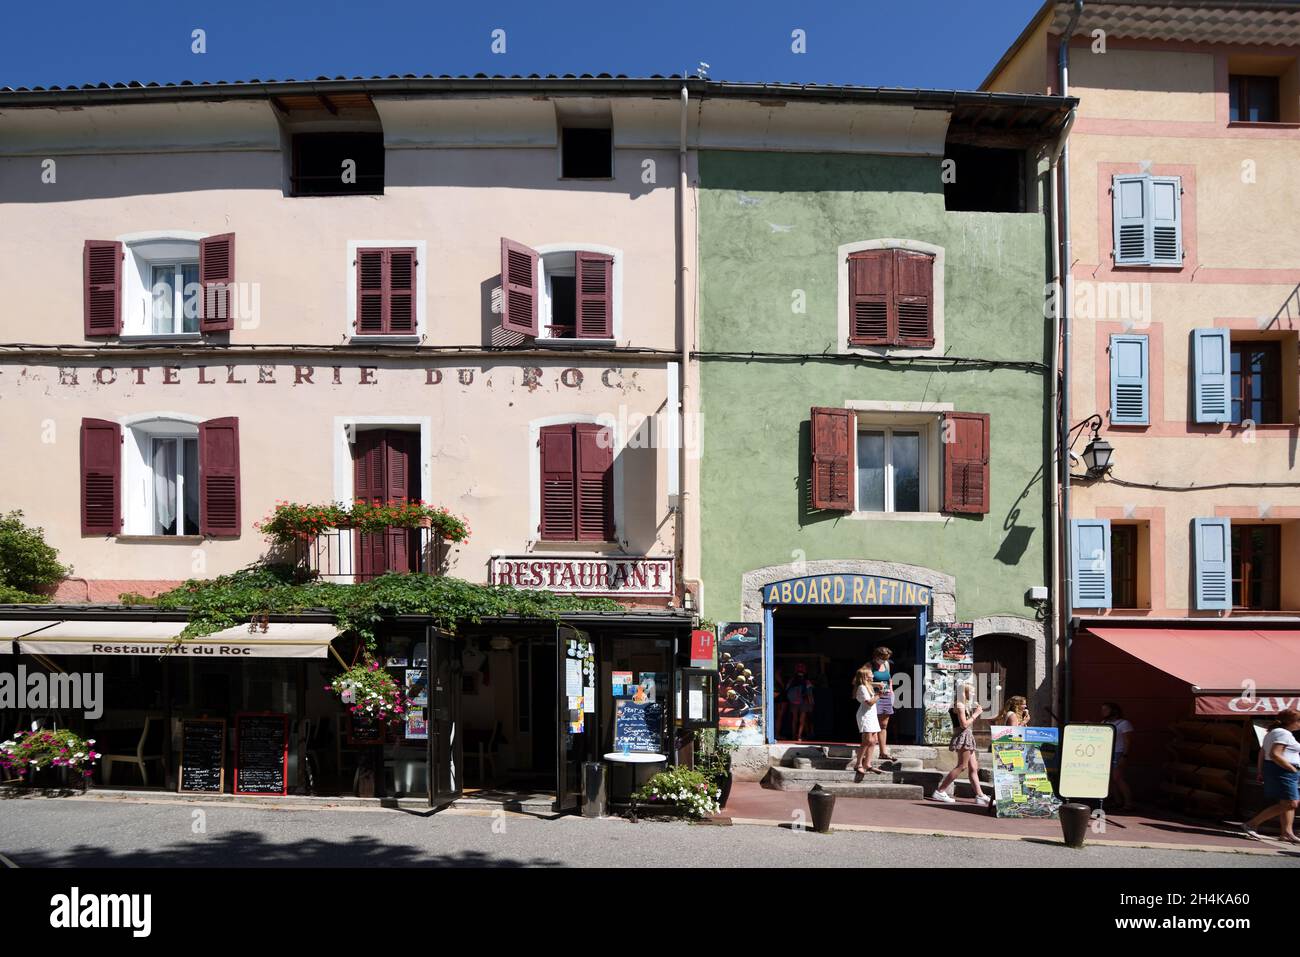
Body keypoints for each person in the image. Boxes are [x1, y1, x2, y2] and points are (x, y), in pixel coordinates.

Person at [1239, 709, 1300, 844]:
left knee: (1287, 803)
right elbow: (1275, 754)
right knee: (1291, 803)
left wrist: (1260, 770)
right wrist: (1292, 769)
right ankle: (1251, 824)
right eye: (1299, 721)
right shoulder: (1283, 733)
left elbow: (1262, 752)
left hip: (1280, 769)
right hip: (1284, 770)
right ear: (1291, 722)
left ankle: (1287, 833)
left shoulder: (1274, 732)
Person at [929, 681, 989, 806]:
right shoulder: (959, 705)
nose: (973, 694)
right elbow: (964, 724)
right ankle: (940, 791)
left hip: (967, 735)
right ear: (964, 692)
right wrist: (976, 714)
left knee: (973, 767)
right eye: (971, 691)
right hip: (963, 735)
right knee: (962, 766)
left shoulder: (963, 705)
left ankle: (980, 795)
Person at [1101, 702, 1134, 809]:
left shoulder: (1124, 723)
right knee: (1111, 779)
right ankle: (1117, 801)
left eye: (1106, 710)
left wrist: (1125, 756)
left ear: (1114, 711)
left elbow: (1127, 741)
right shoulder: (1104, 722)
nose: (1103, 712)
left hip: (1118, 753)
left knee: (1118, 778)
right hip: (1106, 753)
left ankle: (1129, 802)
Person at [852, 665, 883, 777]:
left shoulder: (867, 686)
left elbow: (870, 683)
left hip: (871, 715)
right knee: (867, 740)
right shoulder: (862, 688)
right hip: (865, 715)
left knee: (874, 740)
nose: (873, 675)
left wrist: (879, 687)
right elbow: (869, 702)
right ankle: (858, 764)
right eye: (870, 674)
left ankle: (867, 764)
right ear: (865, 676)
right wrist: (879, 695)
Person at [870, 647, 896, 760]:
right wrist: (876, 684)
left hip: (886, 695)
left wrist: (891, 691)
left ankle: (883, 752)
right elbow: (862, 681)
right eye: (883, 658)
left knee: (884, 725)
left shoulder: (886, 664)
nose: (885, 660)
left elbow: (889, 678)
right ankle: (869, 750)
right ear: (876, 656)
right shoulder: (869, 666)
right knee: (873, 724)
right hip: (874, 696)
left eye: (887, 658)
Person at [786, 664, 815, 742]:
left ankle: (793, 735)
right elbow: (809, 693)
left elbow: (787, 689)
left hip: (793, 701)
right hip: (804, 701)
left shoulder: (791, 680)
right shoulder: (807, 681)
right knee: (802, 720)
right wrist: (812, 703)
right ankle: (799, 736)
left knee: (794, 719)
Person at [771, 667, 788, 741]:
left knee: (776, 717)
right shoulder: (777, 679)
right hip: (780, 699)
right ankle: (776, 734)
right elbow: (782, 688)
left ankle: (775, 734)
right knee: (778, 717)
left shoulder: (773, 678)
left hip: (778, 698)